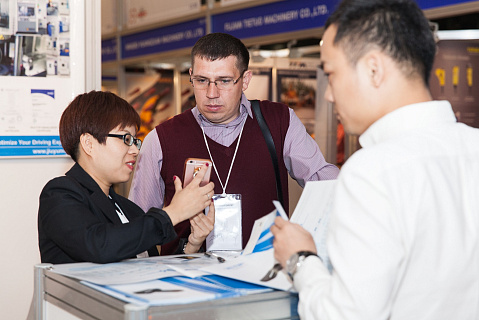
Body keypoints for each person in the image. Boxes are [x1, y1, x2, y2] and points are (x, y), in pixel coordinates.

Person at [271, 0, 479, 319]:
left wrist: (300, 259)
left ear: (373, 69)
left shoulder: (372, 172)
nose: (328, 94)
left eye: (331, 73)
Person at [129, 32, 339, 255]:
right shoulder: (161, 139)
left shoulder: (279, 121)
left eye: (224, 81)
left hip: (264, 277)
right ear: (190, 75)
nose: (211, 93)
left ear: (245, 80)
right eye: (201, 81)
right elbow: (139, 226)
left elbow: (322, 181)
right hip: (188, 281)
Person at [38, 91, 215, 264]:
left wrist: (192, 244)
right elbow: (100, 246)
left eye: (135, 141)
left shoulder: (129, 210)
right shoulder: (59, 194)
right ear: (89, 144)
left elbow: (152, 269)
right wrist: (174, 212)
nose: (135, 150)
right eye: (125, 139)